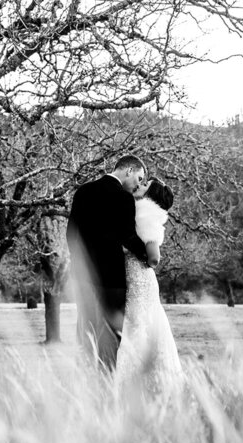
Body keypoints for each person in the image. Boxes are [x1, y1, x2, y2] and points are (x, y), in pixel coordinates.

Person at [66, 155, 149, 371]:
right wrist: (148, 256)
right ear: (128, 170)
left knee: (86, 331)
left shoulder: (83, 191)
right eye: (139, 178)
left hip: (83, 277)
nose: (138, 185)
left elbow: (71, 234)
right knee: (112, 336)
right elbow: (128, 237)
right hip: (111, 280)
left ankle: (85, 380)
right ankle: (107, 380)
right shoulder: (123, 198)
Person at [115, 178, 183, 395]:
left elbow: (153, 258)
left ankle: (144, 380)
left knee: (139, 325)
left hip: (140, 280)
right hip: (133, 277)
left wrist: (131, 251)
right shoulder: (138, 211)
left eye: (144, 185)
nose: (139, 185)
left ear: (149, 196)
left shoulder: (147, 216)